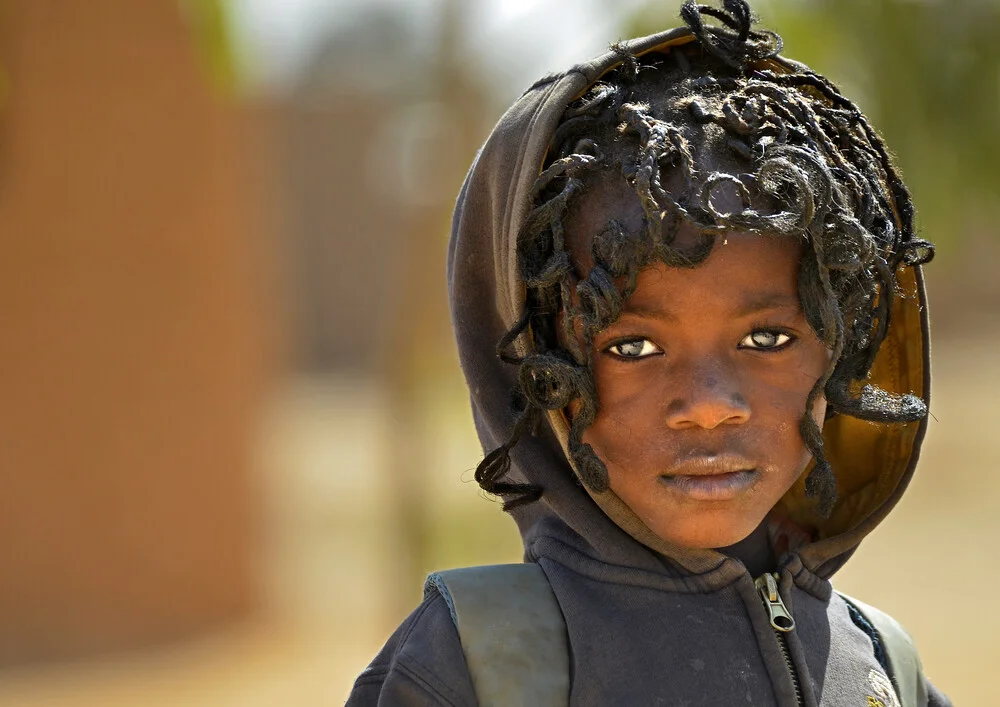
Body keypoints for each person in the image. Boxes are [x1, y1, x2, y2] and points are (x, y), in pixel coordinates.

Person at [347, 1, 951, 704]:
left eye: (767, 339)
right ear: (542, 373)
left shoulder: (881, 667)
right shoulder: (477, 663)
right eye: (633, 345)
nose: (707, 404)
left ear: (841, 352)